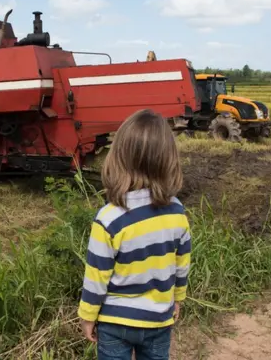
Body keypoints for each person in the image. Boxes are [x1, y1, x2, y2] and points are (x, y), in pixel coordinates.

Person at [77, 109, 192, 360]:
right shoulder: (177, 212)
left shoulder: (109, 218)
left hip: (115, 322)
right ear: (168, 159)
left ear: (118, 157)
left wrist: (87, 316)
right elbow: (181, 265)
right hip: (159, 320)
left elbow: (96, 276)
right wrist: (178, 299)